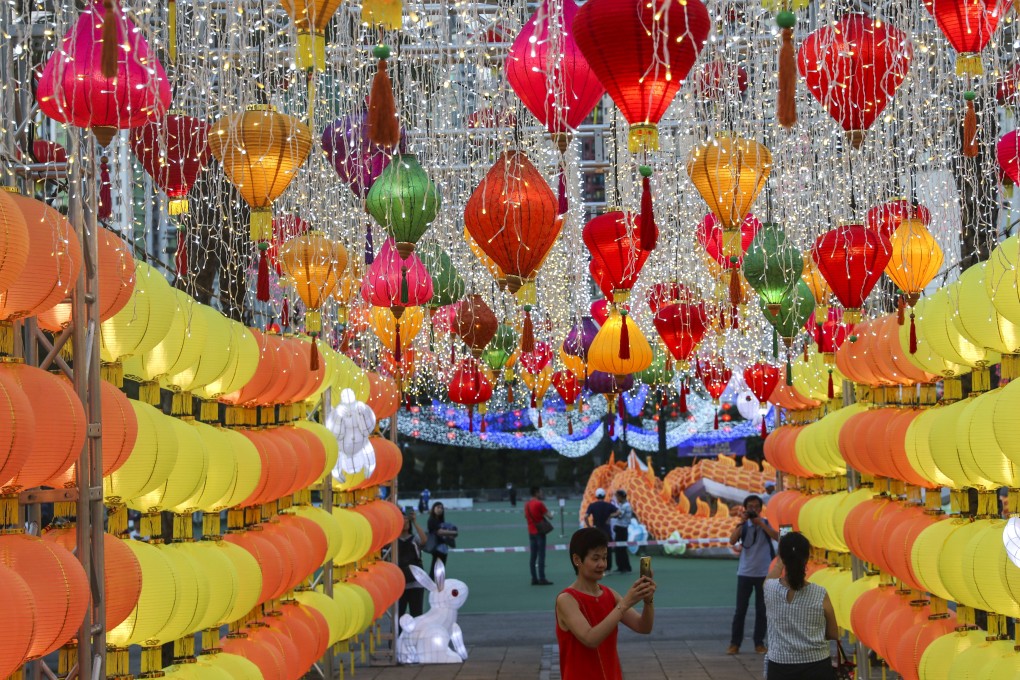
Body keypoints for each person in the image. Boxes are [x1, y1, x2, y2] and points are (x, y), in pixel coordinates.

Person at [555, 527, 656, 680]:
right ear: (577, 560)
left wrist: (648, 600)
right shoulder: (567, 599)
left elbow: (644, 627)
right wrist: (625, 603)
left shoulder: (609, 594)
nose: (602, 564)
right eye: (595, 559)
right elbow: (590, 639)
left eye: (605, 557)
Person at [764, 532, 839, 679]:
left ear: (782, 557)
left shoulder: (770, 588)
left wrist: (780, 561)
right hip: (817, 667)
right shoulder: (820, 593)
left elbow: (769, 578)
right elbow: (833, 633)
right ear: (807, 558)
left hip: (780, 667)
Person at [728, 494, 779, 655]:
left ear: (761, 508)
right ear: (745, 508)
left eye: (756, 507)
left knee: (761, 610)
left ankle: (759, 643)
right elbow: (732, 540)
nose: (753, 509)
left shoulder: (766, 523)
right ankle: (735, 644)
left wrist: (761, 524)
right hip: (745, 573)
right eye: (750, 507)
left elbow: (777, 536)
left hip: (764, 573)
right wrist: (743, 522)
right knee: (740, 610)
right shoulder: (743, 525)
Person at [397, 507, 427, 617]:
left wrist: (414, 521)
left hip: (416, 582)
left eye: (407, 518)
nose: (406, 520)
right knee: (398, 616)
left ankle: (418, 634)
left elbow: (424, 540)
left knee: (417, 615)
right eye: (402, 518)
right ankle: (398, 634)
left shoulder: (414, 539)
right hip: (399, 583)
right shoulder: (393, 541)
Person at [526, 486, 554, 585]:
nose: (541, 493)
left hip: (531, 532)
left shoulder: (527, 504)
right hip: (540, 532)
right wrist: (552, 514)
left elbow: (526, 517)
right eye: (540, 492)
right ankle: (542, 578)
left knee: (533, 556)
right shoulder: (539, 504)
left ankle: (534, 578)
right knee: (541, 556)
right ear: (536, 493)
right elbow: (550, 516)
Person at [585, 488, 617, 572]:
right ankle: (608, 567)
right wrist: (610, 516)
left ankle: (598, 566)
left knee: (597, 549)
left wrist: (589, 526)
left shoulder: (592, 505)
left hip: (597, 530)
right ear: (604, 495)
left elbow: (585, 516)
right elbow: (618, 512)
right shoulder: (608, 505)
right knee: (608, 549)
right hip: (606, 530)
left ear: (596, 496)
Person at [426, 502, 457, 578]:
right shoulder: (431, 520)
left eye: (441, 508)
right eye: (438, 507)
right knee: (435, 567)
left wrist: (450, 535)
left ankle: (438, 583)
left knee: (440, 568)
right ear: (433, 508)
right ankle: (432, 584)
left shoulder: (440, 520)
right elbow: (439, 532)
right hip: (436, 547)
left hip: (443, 547)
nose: (440, 509)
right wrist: (453, 532)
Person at [610, 490, 633, 574]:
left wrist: (608, 515)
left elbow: (618, 514)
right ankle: (621, 567)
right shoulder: (622, 505)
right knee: (619, 548)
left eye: (617, 496)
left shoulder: (625, 506)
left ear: (621, 497)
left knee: (621, 548)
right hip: (620, 529)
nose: (616, 498)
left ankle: (625, 567)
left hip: (622, 529)